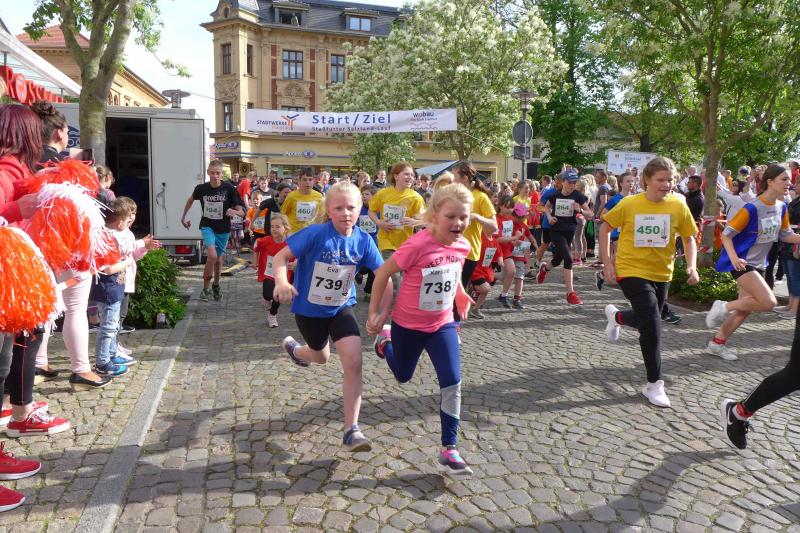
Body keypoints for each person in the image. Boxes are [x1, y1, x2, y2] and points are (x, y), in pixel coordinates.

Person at [273, 182, 391, 452]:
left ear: (360, 209)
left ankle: (352, 430)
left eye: (351, 207)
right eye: (338, 208)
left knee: (354, 361)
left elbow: (384, 276)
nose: (345, 213)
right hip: (309, 311)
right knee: (321, 357)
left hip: (341, 308)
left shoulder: (364, 240)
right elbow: (280, 257)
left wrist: (381, 314)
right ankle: (296, 350)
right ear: (328, 210)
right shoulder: (315, 234)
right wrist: (281, 282)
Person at [367, 183, 475, 476]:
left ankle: (449, 449)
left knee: (452, 382)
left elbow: (453, 271)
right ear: (435, 215)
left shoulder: (463, 245)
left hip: (442, 324)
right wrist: (376, 312)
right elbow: (383, 273)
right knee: (403, 375)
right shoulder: (417, 244)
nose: (458, 223)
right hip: (408, 325)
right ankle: (385, 344)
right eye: (451, 216)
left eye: (463, 217)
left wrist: (460, 294)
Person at [600, 156, 699, 408]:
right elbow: (604, 228)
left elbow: (689, 238)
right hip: (631, 269)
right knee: (653, 324)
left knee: (649, 317)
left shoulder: (678, 205)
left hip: (662, 272)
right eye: (660, 180)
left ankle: (618, 317)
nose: (666, 184)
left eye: (670, 180)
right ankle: (654, 384)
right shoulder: (630, 203)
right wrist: (607, 263)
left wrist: (692, 265)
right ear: (646, 179)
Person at [0, 104, 73, 438]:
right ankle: (20, 412)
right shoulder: (6, 170)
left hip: (16, 270)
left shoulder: (14, 170)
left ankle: (19, 409)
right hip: (10, 275)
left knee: (15, 346)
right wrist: (16, 207)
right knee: (19, 344)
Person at [705, 164, 800, 360]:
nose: (789, 183)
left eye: (790, 180)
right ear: (770, 182)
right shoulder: (752, 208)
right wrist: (734, 258)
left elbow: (786, 235)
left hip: (760, 264)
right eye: (784, 179)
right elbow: (726, 235)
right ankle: (723, 307)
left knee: (744, 309)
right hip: (742, 262)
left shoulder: (781, 207)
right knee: (768, 302)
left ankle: (717, 343)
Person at [181, 160, 246, 302]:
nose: (215, 176)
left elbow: (241, 211)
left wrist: (234, 211)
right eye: (212, 173)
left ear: (222, 174)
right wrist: (184, 217)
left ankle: (216, 285)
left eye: (218, 173)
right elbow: (190, 200)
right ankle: (205, 289)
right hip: (207, 226)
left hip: (223, 228)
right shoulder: (201, 188)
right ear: (208, 173)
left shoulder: (229, 189)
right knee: (212, 256)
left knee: (219, 260)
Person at [90, 199, 138, 377]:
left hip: (114, 288)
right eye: (126, 220)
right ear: (119, 222)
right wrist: (127, 261)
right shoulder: (109, 237)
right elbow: (108, 268)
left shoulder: (108, 234)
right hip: (108, 288)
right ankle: (103, 362)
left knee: (112, 324)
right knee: (108, 327)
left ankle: (111, 354)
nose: (128, 224)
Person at [537, 170, 592, 305]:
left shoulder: (578, 195)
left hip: (569, 231)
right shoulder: (555, 195)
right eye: (570, 182)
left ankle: (545, 269)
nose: (572, 185)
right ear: (563, 182)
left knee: (558, 259)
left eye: (574, 182)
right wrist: (549, 217)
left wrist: (580, 210)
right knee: (568, 258)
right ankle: (570, 293)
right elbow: (546, 207)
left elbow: (590, 214)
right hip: (556, 230)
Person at [368, 162, 426, 289]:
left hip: (406, 243)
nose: (410, 177)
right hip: (386, 241)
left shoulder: (416, 197)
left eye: (412, 175)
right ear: (396, 176)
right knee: (395, 278)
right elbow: (371, 211)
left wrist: (414, 222)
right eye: (406, 174)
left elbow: (424, 221)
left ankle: (390, 297)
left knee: (402, 278)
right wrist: (379, 222)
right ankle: (392, 299)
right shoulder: (382, 194)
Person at [451, 162, 498, 296]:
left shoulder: (480, 197)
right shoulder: (454, 195)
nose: (452, 179)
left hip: (469, 252)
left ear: (465, 178)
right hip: (451, 249)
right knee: (450, 292)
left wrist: (476, 216)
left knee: (458, 293)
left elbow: (494, 226)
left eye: (455, 176)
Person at [254, 214, 291, 328]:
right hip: (268, 273)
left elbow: (296, 255)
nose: (274, 229)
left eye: (277, 227)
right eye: (272, 226)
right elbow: (256, 247)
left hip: (283, 275)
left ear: (285, 228)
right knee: (268, 294)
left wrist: (294, 264)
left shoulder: (290, 243)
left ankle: (272, 315)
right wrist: (255, 262)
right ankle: (265, 299)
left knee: (277, 296)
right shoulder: (266, 240)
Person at [495, 195, 522, 308]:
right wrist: (514, 238)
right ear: (500, 206)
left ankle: (504, 295)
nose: (509, 210)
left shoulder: (511, 219)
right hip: (494, 250)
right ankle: (475, 293)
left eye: (511, 208)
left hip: (506, 251)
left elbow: (511, 235)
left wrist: (515, 242)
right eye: (507, 207)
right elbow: (498, 239)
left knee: (512, 271)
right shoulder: (496, 219)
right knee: (485, 275)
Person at [470, 229, 503, 319]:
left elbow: (499, 253)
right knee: (485, 288)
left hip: (486, 270)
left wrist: (500, 260)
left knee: (485, 289)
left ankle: (476, 309)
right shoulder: (479, 236)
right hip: (475, 269)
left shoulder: (494, 241)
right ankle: (472, 294)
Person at [508, 203, 536, 309]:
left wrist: (535, 243)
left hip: (519, 255)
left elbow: (530, 235)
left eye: (523, 217)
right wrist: (513, 241)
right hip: (508, 255)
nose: (521, 219)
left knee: (520, 277)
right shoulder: (509, 225)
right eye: (518, 217)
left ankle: (517, 298)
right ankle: (504, 294)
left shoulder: (524, 226)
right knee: (505, 276)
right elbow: (505, 238)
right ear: (513, 215)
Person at [281, 168, 324, 234]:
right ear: (299, 181)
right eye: (304, 180)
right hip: (294, 233)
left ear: (314, 181)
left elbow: (321, 216)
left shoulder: (319, 196)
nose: (307, 182)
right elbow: (283, 214)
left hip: (311, 233)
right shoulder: (291, 196)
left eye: (310, 179)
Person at [357, 185, 379, 300]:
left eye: (367, 194)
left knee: (373, 267)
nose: (364, 197)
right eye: (362, 194)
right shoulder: (358, 209)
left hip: (375, 242)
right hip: (360, 242)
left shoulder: (379, 209)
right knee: (362, 266)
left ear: (374, 196)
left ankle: (368, 291)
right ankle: (359, 272)